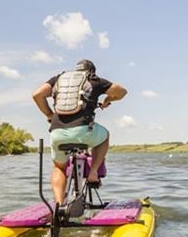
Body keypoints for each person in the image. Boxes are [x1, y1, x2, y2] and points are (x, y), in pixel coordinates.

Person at [32, 59, 127, 212]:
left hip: (57, 133)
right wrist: (107, 99)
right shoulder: (94, 80)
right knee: (104, 136)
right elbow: (122, 92)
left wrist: (49, 114)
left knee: (59, 168)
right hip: (83, 132)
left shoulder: (58, 79)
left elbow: (37, 95)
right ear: (92, 71)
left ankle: (59, 206)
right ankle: (94, 172)